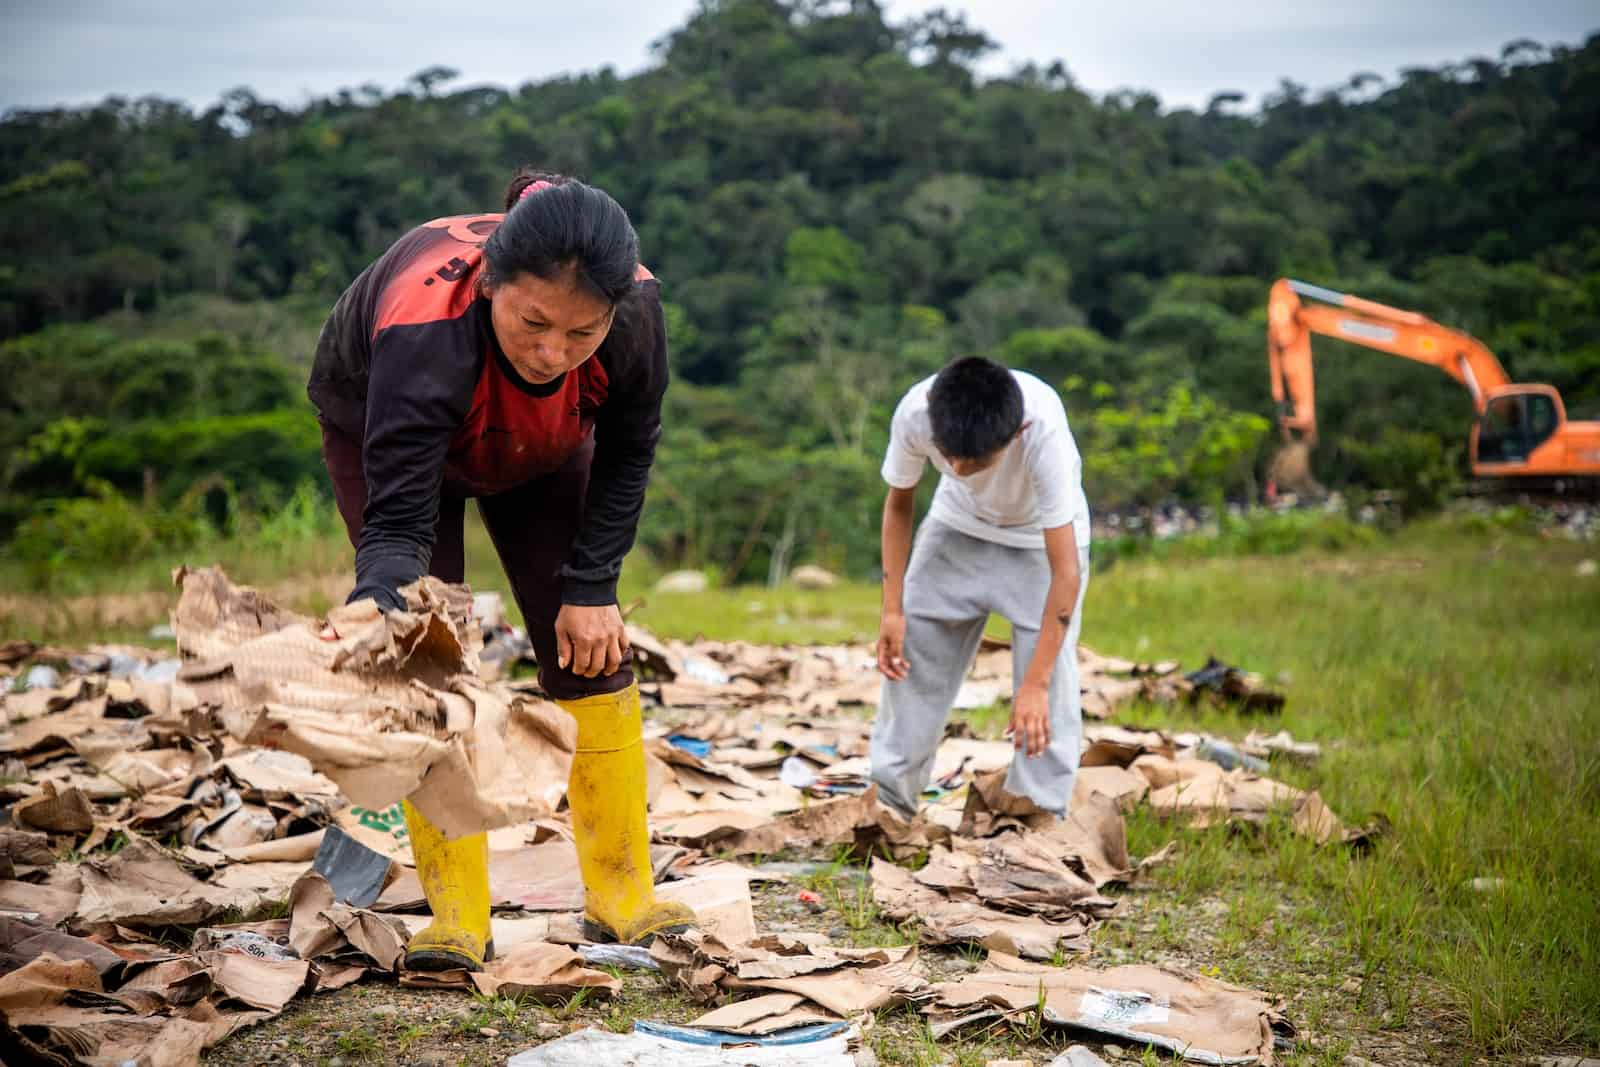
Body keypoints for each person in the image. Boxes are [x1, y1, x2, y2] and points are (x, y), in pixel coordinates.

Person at [308, 169, 692, 968]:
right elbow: (399, 527)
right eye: (534, 322)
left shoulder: (634, 316)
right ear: (490, 285)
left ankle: (623, 896)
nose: (553, 351)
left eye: (581, 334)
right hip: (391, 431)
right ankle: (456, 918)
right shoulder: (423, 337)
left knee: (593, 649)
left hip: (545, 445)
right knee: (426, 659)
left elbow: (629, 449)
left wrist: (593, 587)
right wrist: (378, 603)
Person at [871, 356, 1091, 819]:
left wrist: (1034, 682)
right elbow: (898, 506)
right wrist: (893, 609)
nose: (955, 464)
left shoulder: (1042, 432)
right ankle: (890, 801)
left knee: (1046, 690)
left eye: (973, 460)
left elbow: (1066, 571)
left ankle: (1035, 814)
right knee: (910, 658)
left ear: (1017, 433)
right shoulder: (916, 411)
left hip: (1038, 543)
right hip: (958, 525)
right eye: (948, 453)